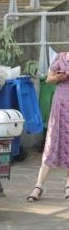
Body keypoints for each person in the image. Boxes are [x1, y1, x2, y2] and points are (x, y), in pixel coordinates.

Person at [27, 51, 69, 201]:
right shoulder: (61, 57)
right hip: (60, 107)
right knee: (51, 144)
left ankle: (68, 185)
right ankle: (38, 186)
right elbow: (49, 79)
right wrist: (59, 77)